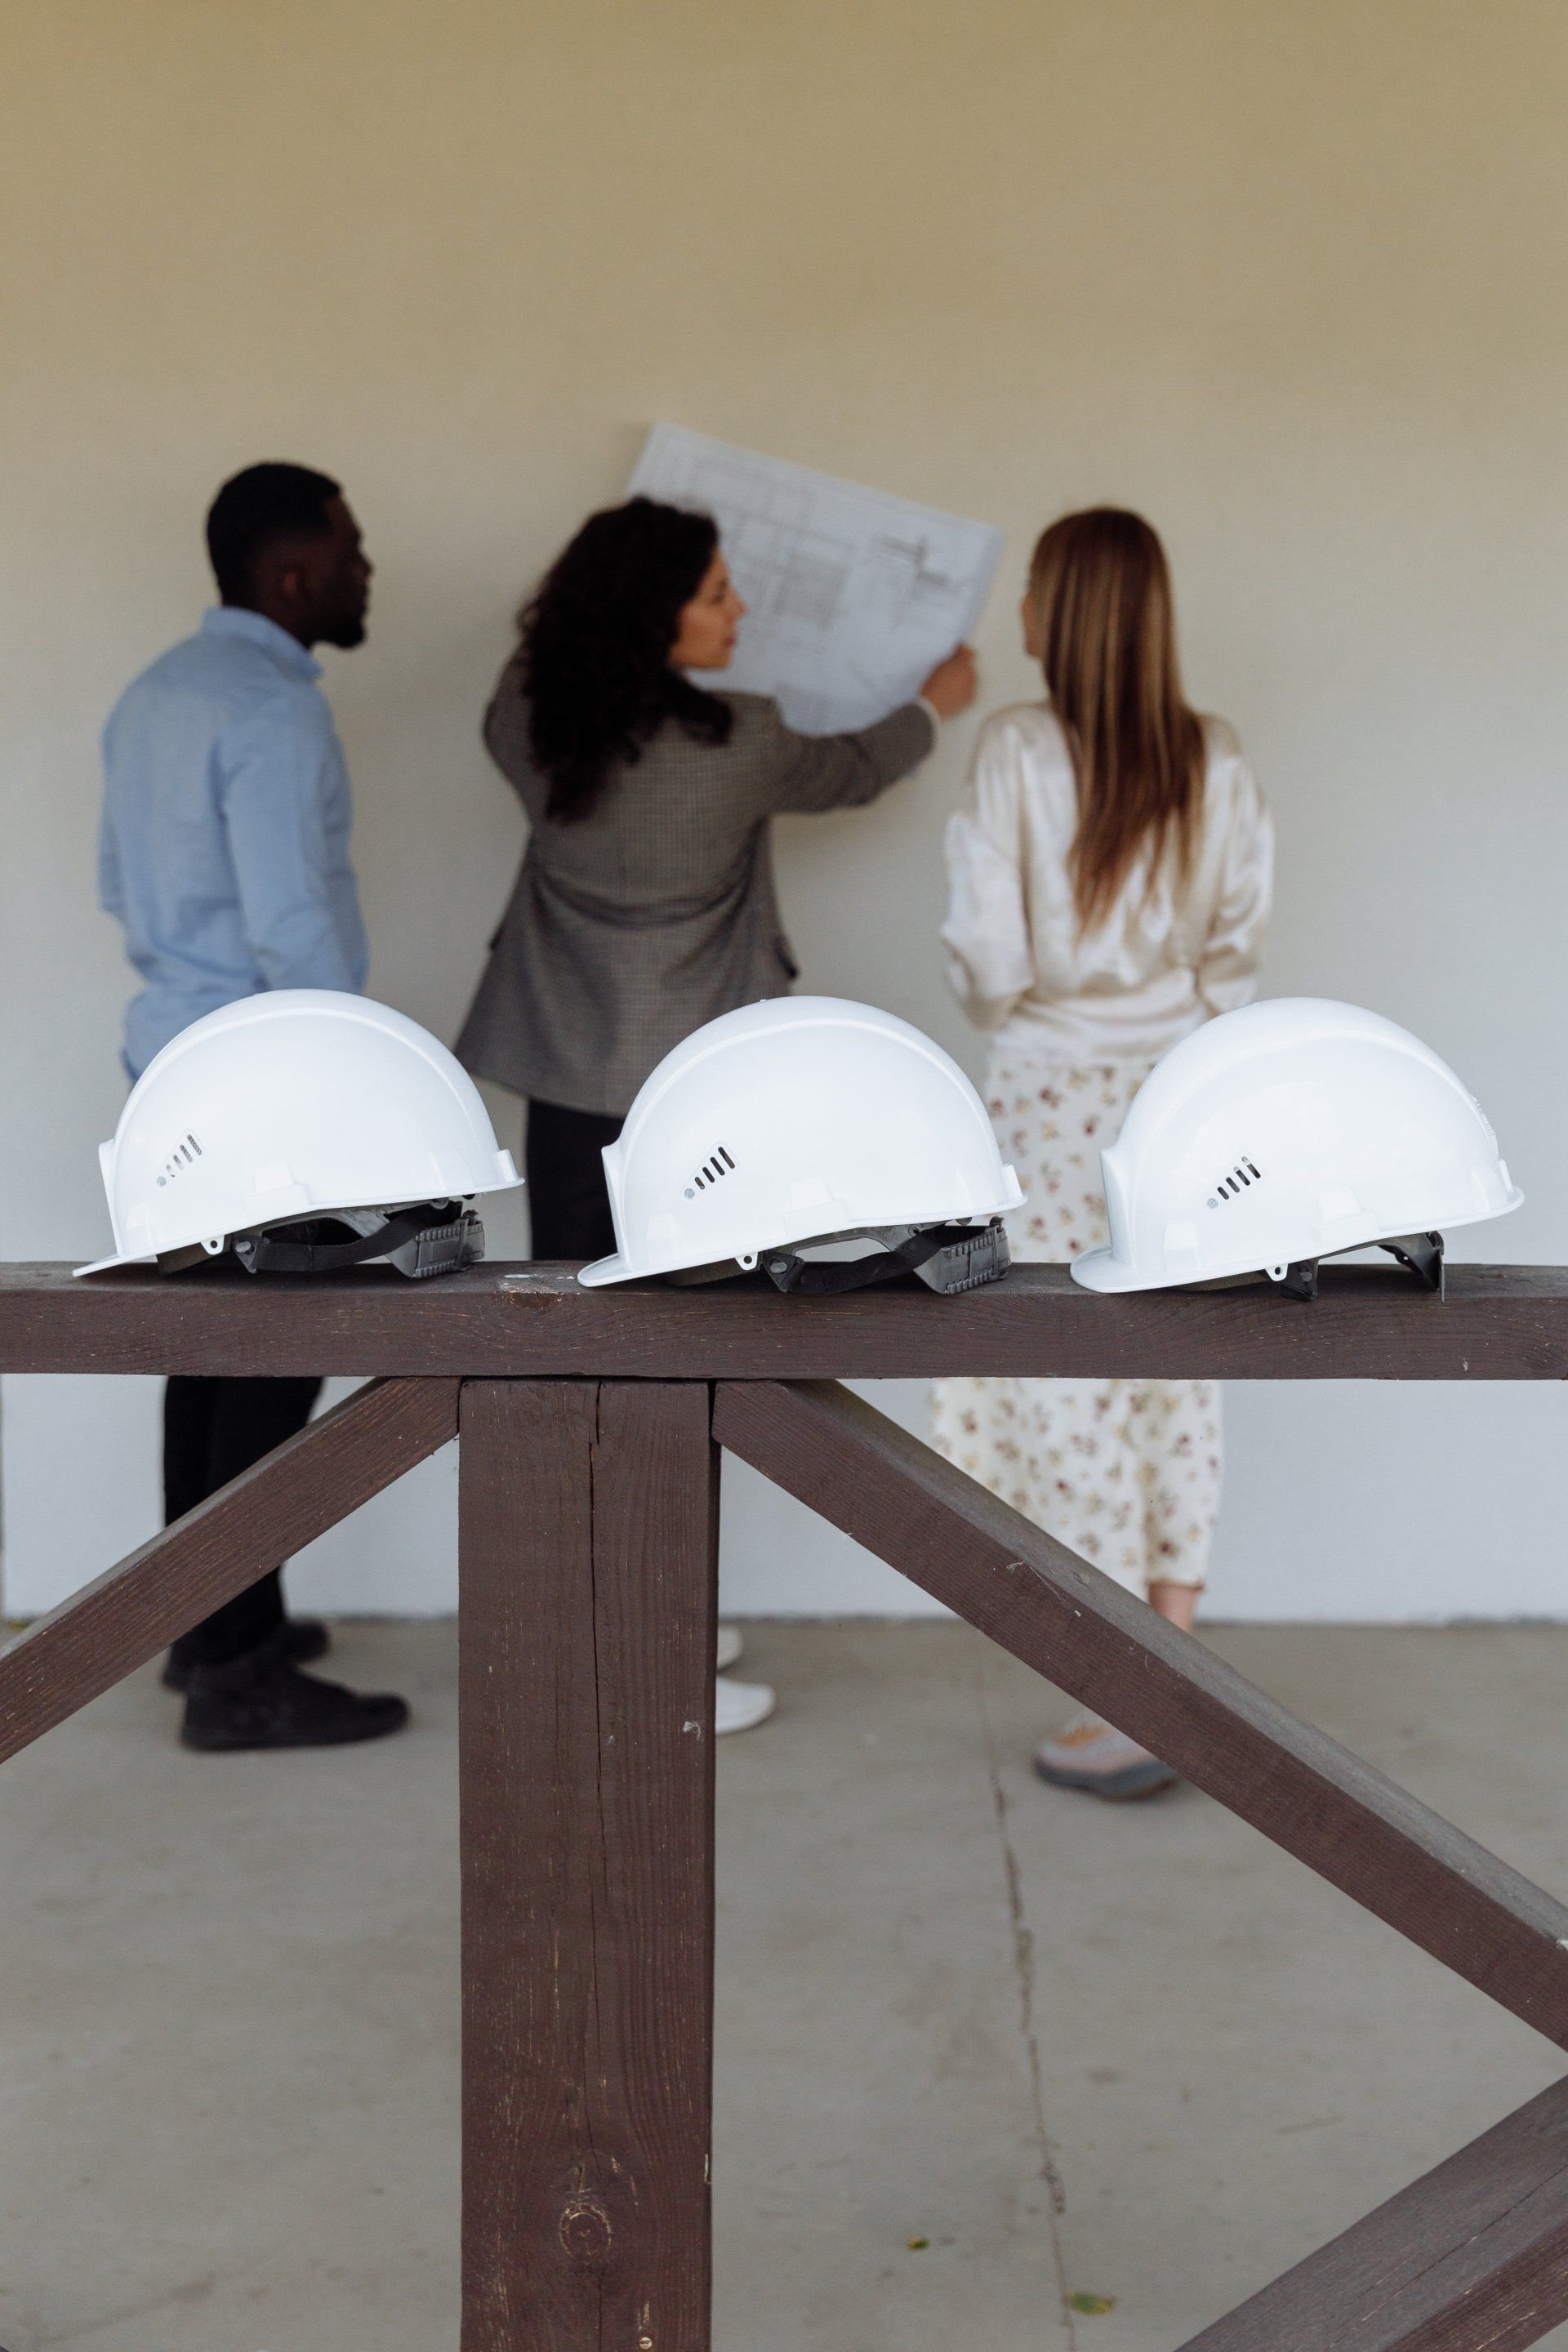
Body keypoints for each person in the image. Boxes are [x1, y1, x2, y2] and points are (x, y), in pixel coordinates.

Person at [457, 493, 978, 1731]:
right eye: (715, 591)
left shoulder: (529, 723)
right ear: (657, 614)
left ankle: (593, 1614)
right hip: (697, 1103)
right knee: (684, 1359)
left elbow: (531, 676)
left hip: (564, 1076)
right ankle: (653, 1644)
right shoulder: (742, 739)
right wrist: (938, 703)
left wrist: (588, 618)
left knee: (571, 1352)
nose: (742, 609)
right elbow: (856, 769)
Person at [933, 507, 1273, 1799]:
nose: (1018, 612)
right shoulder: (1217, 758)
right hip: (1180, 1095)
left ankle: (1123, 1697)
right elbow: (1235, 956)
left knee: (1059, 1377)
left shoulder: (1016, 751)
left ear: (1058, 614)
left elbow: (990, 965)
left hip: (1047, 1094)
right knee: (1180, 1366)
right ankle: (1171, 1659)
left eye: (1031, 592)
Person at [98, 461, 409, 1753]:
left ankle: (207, 1622)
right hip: (275, 1079)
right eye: (349, 548)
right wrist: (356, 1078)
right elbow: (293, 925)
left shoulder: (155, 693)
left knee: (206, 1351)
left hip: (171, 1066)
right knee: (274, 1363)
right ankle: (235, 1669)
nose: (365, 568)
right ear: (291, 576)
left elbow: (119, 885)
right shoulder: (274, 712)